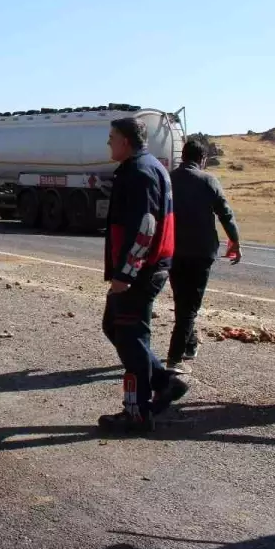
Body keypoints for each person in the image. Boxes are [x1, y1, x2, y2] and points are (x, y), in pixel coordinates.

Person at [100, 117, 188, 434]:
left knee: (130, 336)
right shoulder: (145, 167)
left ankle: (137, 413)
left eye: (112, 137)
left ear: (125, 141)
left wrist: (126, 273)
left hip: (142, 271)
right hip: (146, 268)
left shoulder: (139, 171)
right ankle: (165, 382)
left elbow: (145, 228)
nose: (108, 143)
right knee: (115, 326)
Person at [167, 139, 242, 374]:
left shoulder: (168, 179)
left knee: (182, 301)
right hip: (201, 252)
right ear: (202, 159)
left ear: (183, 156)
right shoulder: (209, 180)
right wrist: (235, 241)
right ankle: (174, 357)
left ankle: (190, 344)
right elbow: (225, 214)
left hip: (172, 251)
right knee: (190, 306)